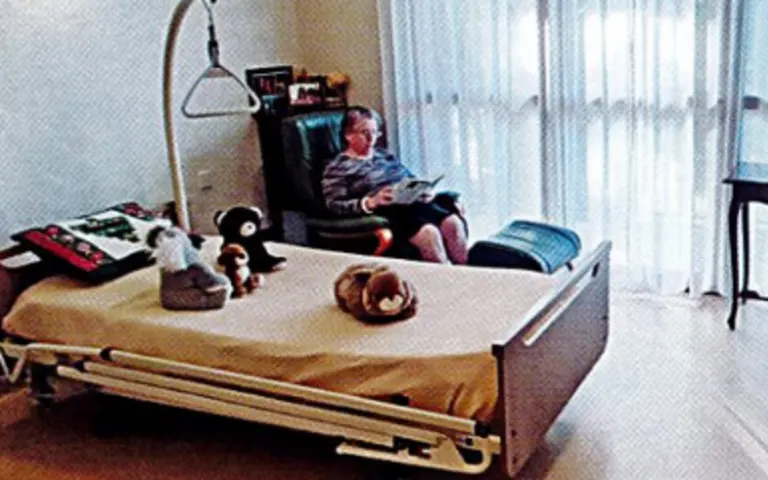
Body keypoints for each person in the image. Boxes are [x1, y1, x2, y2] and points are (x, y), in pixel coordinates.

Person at [321, 107, 469, 264]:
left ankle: (466, 272)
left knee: (453, 223)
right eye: (365, 132)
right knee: (429, 233)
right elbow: (334, 205)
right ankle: (445, 276)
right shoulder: (338, 167)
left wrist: (422, 191)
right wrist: (370, 202)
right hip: (390, 212)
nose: (371, 139)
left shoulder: (384, 155)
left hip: (413, 203)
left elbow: (409, 178)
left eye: (375, 132)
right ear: (348, 135)